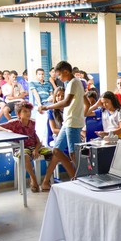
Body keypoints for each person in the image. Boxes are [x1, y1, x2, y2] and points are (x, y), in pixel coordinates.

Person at [39, 61, 87, 189]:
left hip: (73, 122)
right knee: (57, 150)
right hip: (68, 122)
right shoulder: (72, 83)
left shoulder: (74, 82)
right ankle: (75, 176)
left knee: (73, 154)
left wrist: (47, 107)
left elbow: (66, 102)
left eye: (59, 75)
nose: (59, 78)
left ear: (66, 72)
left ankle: (81, 180)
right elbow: (85, 102)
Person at [0, 102, 51, 193]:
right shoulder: (14, 123)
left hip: (34, 146)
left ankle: (46, 181)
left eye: (29, 111)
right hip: (20, 148)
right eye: (25, 111)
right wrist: (7, 130)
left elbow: (37, 140)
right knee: (25, 156)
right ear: (18, 114)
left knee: (54, 153)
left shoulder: (33, 123)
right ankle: (34, 180)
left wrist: (36, 150)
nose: (28, 113)